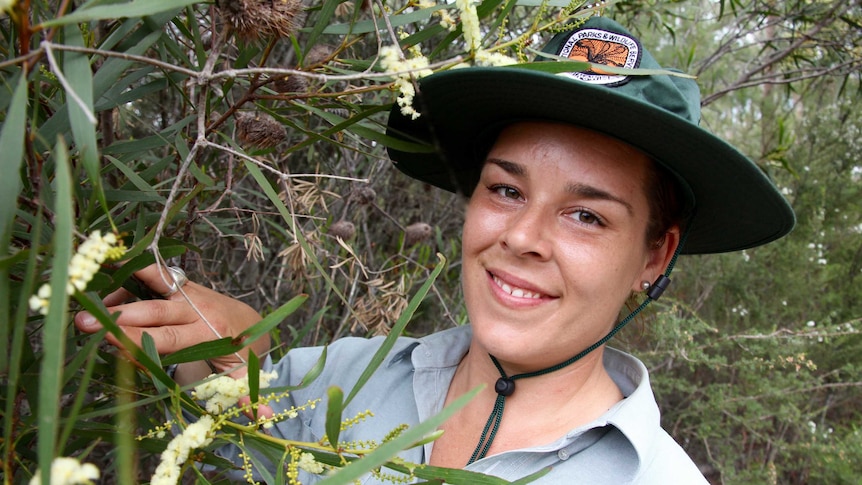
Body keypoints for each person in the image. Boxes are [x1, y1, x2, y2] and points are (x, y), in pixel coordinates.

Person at [75, 16, 795, 484]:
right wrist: (230, 363)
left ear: (654, 257)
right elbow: (233, 426)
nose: (520, 236)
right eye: (506, 190)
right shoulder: (337, 376)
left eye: (584, 215)